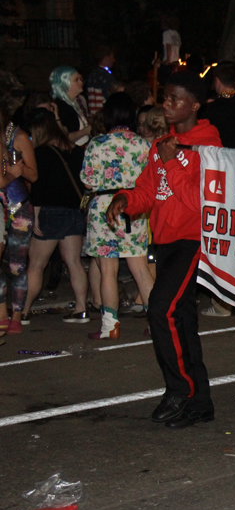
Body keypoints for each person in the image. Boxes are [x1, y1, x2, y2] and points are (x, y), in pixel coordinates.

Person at [105, 71, 222, 429]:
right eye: (165, 97)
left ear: (195, 105)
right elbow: (148, 192)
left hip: (192, 239)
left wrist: (172, 162)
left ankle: (179, 389)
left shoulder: (207, 143)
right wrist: (125, 199)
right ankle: (199, 401)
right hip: (165, 240)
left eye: (175, 99)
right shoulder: (162, 144)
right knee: (182, 320)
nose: (166, 104)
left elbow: (201, 201)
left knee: (160, 308)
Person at [81, 93, 154, 339]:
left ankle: (110, 326)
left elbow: (88, 180)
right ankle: (157, 323)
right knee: (141, 269)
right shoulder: (144, 145)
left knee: (107, 270)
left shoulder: (97, 143)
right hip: (135, 207)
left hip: (105, 208)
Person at [21, 109, 89, 325]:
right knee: (74, 262)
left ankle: (23, 311)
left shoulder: (41, 153)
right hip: (74, 211)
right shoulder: (77, 151)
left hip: (50, 212)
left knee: (37, 264)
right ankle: (81, 308)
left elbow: (39, 188)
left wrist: (36, 216)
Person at [0, 106, 38, 335]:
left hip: (17, 208)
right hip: (0, 206)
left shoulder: (18, 136)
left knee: (16, 265)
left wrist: (16, 169)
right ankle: (2, 313)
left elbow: (34, 175)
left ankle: (16, 315)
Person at [50, 65, 92, 147]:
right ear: (65, 84)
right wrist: (84, 132)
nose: (81, 82)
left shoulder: (75, 102)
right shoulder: (60, 107)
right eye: (76, 80)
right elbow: (62, 137)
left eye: (81, 79)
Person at [85, 45, 117, 116]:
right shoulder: (106, 76)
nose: (114, 60)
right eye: (112, 57)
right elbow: (111, 98)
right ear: (106, 58)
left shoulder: (92, 74)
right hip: (103, 115)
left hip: (94, 116)